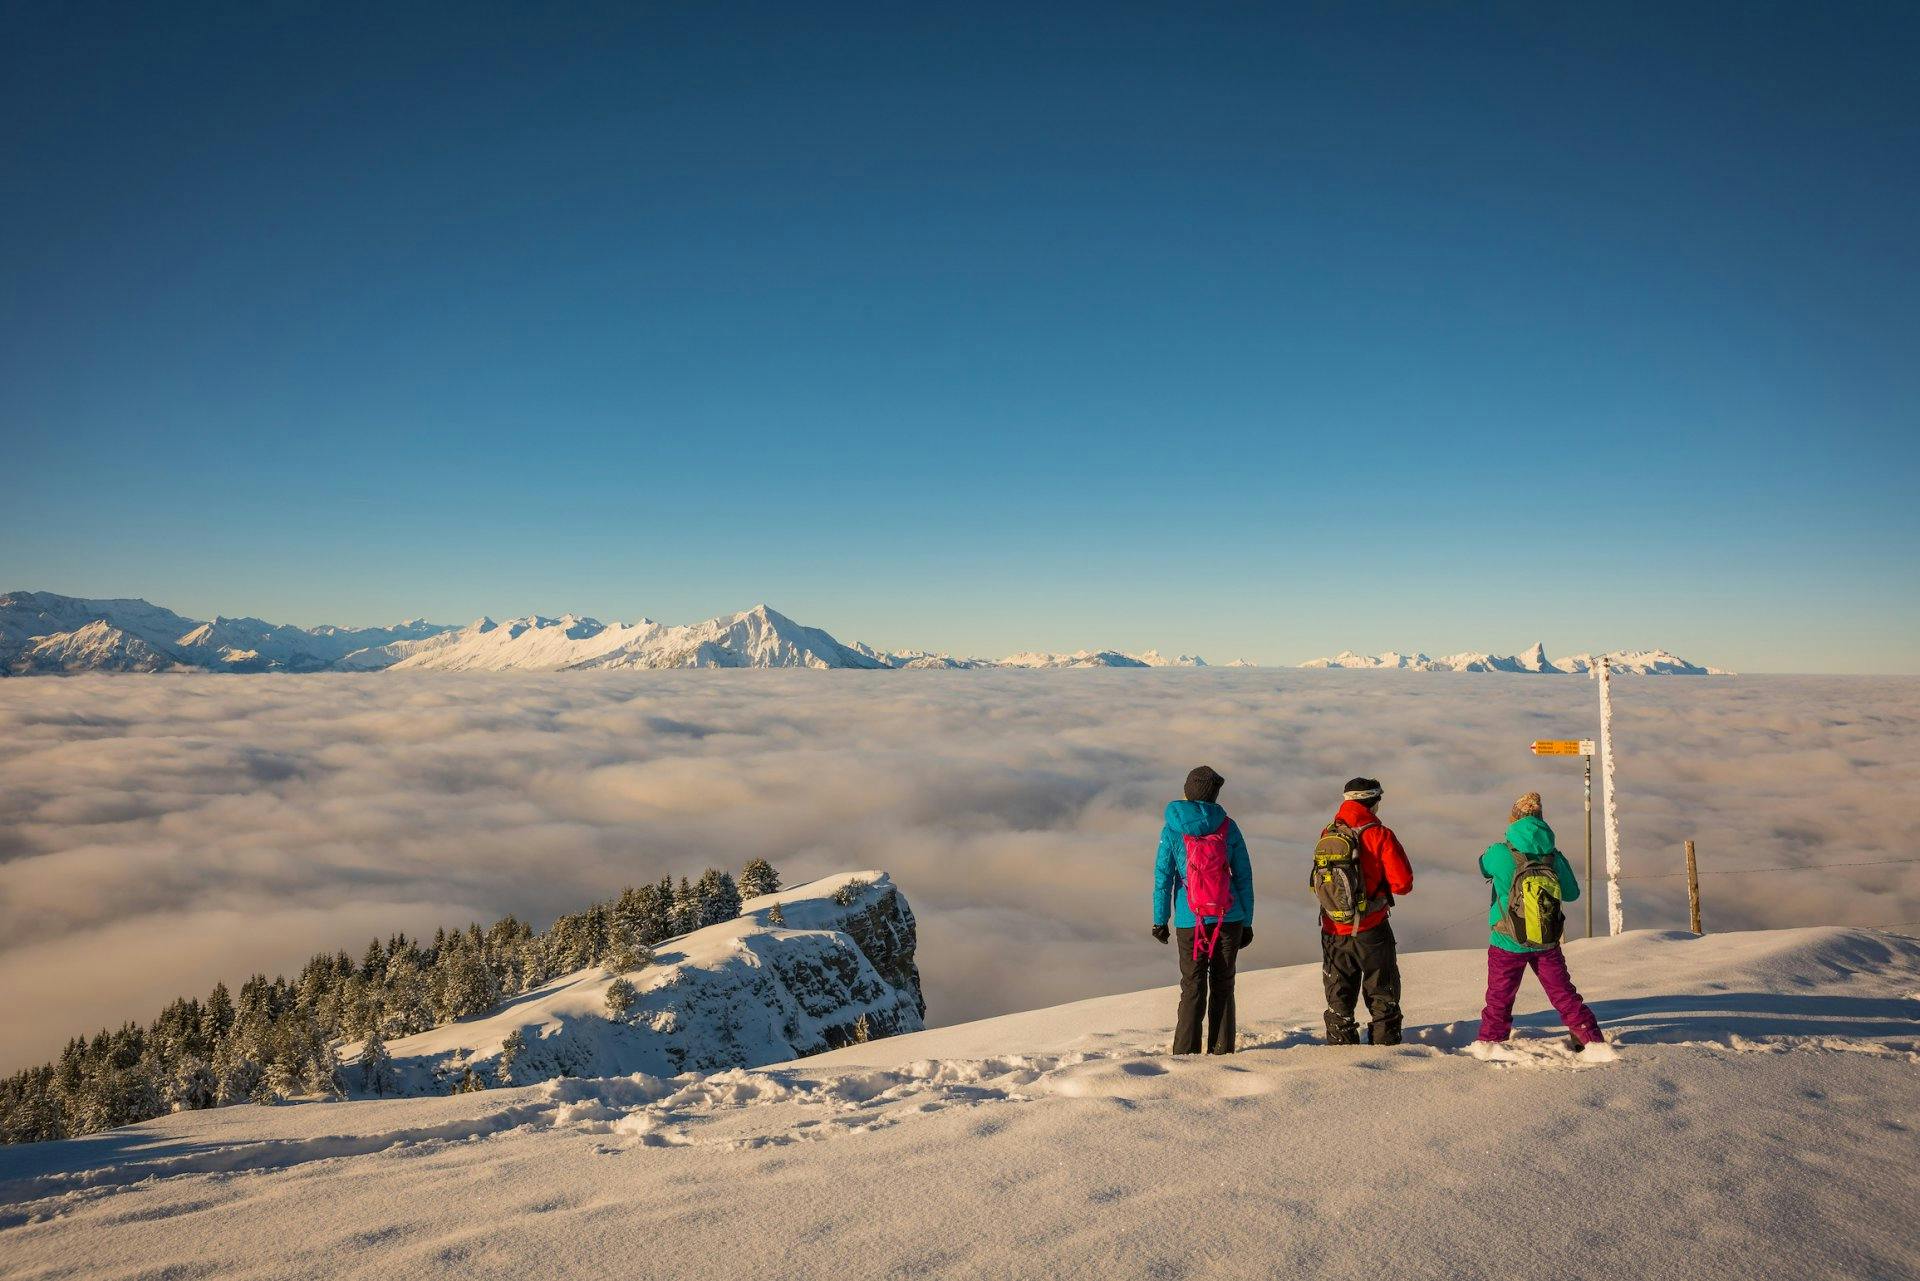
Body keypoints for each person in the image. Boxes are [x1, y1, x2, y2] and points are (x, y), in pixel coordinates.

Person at [1474, 792, 1605, 1053]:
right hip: (1546, 939)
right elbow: (1572, 893)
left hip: (1506, 939)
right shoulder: (1554, 856)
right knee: (1563, 992)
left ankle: (1491, 1042)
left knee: (1499, 997)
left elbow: (1482, 867)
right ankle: (1589, 1038)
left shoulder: (1501, 852)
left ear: (1513, 820)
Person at [1152, 765, 1255, 1054]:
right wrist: (1247, 921)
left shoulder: (1171, 828)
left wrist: (1160, 920)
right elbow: (1243, 876)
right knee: (1223, 983)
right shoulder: (1228, 826)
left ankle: (1185, 1053)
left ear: (1187, 790)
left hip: (1189, 920)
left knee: (1192, 985)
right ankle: (1222, 1050)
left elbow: (1164, 877)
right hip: (1228, 916)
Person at [1316, 777, 1413, 1045]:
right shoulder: (1379, 834)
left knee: (1339, 998)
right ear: (1373, 801)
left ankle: (1340, 1055)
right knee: (1382, 993)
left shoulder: (1329, 832)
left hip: (1333, 928)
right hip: (1371, 927)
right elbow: (1403, 883)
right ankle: (1386, 1053)